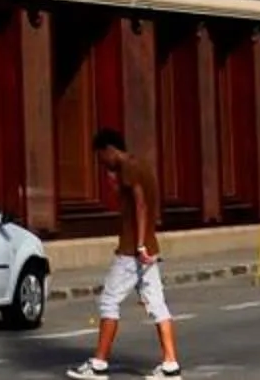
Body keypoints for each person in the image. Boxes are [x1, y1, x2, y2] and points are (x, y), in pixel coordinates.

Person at [67, 127, 180, 380]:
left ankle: (98, 364)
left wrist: (138, 245)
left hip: (132, 250)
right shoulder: (143, 166)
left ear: (109, 150)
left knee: (109, 301)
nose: (101, 164)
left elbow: (140, 204)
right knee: (157, 304)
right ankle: (170, 365)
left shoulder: (128, 167)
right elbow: (147, 205)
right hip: (149, 247)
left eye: (100, 157)